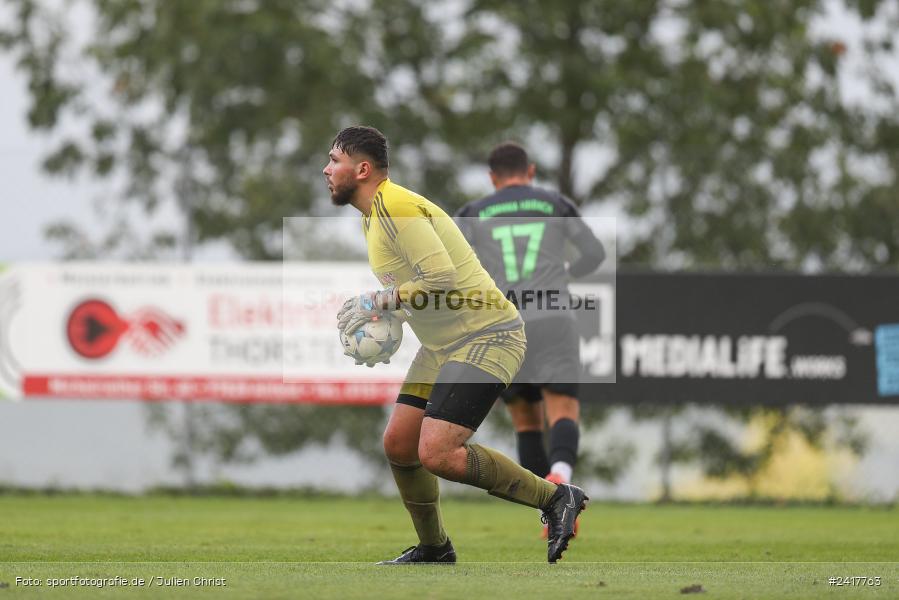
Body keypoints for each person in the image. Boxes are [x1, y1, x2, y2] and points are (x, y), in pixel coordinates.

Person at [324, 126, 587, 564]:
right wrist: (390, 318)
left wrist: (382, 300)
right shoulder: (373, 213)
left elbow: (440, 277)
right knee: (399, 445)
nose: (326, 169)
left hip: (487, 333)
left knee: (437, 452)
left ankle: (556, 498)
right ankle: (435, 549)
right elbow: (423, 287)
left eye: (334, 160)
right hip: (443, 345)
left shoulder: (397, 206)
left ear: (362, 168)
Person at [454, 142, 604, 536]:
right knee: (563, 411)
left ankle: (549, 508)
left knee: (525, 421)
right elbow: (595, 253)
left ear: (492, 177)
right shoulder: (554, 203)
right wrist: (566, 269)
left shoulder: (473, 212)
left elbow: (451, 266)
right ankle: (562, 476)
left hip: (504, 325)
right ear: (531, 171)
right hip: (554, 317)